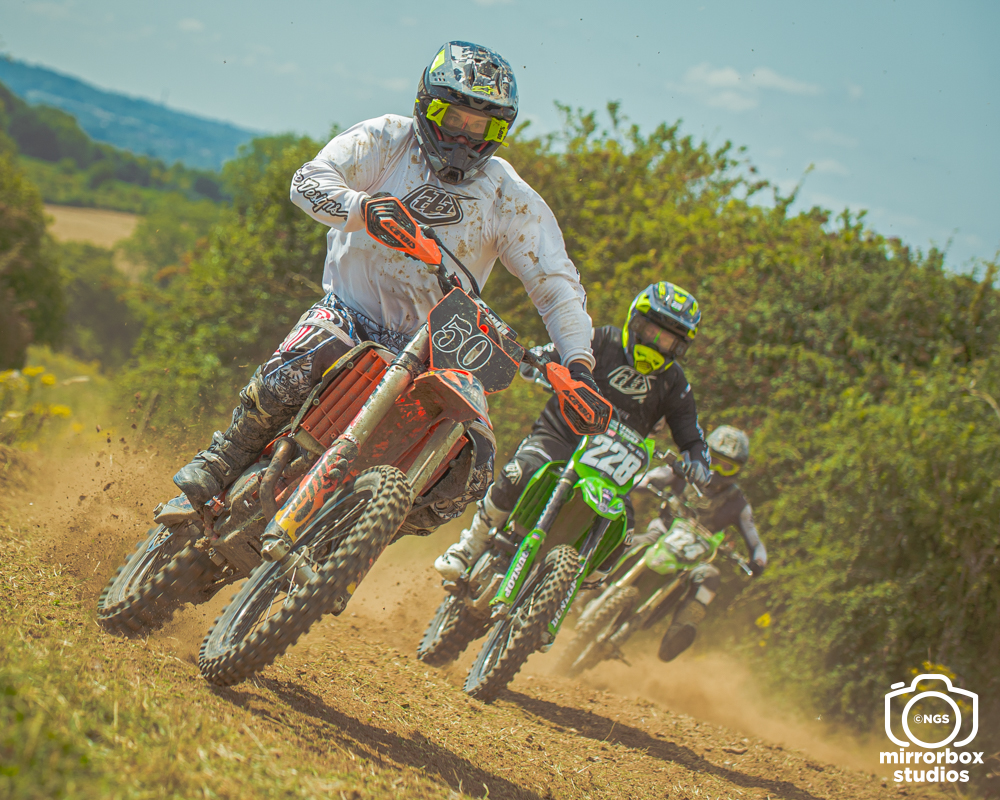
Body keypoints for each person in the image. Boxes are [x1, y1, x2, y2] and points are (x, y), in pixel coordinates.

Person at [171, 41, 609, 537]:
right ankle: (222, 460)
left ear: (499, 132)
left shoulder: (509, 196)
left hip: (433, 351)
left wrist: (579, 366)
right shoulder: (386, 139)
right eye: (454, 118)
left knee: (473, 468)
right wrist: (362, 209)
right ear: (427, 105)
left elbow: (556, 285)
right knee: (290, 374)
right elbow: (307, 181)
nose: (463, 137)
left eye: (481, 127)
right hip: (349, 312)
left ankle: (358, 537)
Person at [435, 281, 712, 580]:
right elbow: (552, 355)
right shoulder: (600, 340)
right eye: (652, 331)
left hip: (611, 469)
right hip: (561, 437)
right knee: (523, 471)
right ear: (636, 322)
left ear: (680, 347)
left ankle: (570, 590)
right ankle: (470, 545)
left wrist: (698, 462)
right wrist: (540, 363)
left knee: (623, 530)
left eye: (667, 340)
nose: (656, 344)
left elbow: (691, 435)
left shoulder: (675, 384)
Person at [634, 424, 768, 662]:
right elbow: (650, 477)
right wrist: (642, 483)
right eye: (714, 460)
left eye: (727, 466)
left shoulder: (738, 503)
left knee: (710, 577)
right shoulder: (684, 469)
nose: (717, 470)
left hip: (694, 558)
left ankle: (678, 632)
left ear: (737, 470)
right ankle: (585, 577)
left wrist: (757, 562)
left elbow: (755, 541)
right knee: (634, 541)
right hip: (662, 532)